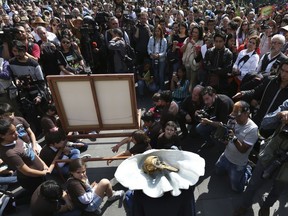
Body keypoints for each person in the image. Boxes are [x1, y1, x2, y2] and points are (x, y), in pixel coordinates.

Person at [233, 99, 288, 216]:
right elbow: (265, 122)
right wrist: (280, 115)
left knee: (278, 189)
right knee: (253, 183)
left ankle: (266, 206)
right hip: (272, 152)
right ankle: (245, 205)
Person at [233, 60, 288, 137]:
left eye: (287, 72)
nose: (284, 74)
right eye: (282, 70)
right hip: (257, 119)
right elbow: (256, 91)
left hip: (272, 128)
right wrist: (244, 93)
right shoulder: (270, 80)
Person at [215, 101, 258, 192]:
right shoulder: (232, 119)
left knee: (237, 189)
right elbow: (227, 138)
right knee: (217, 172)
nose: (235, 118)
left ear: (246, 113)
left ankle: (247, 170)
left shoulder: (253, 129)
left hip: (238, 163)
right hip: (226, 156)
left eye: (238, 115)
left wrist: (234, 138)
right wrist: (223, 138)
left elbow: (243, 150)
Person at [8, 40, 48, 137]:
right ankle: (38, 131)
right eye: (14, 51)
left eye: (19, 51)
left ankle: (48, 130)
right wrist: (17, 81)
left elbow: (42, 82)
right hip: (24, 93)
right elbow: (14, 76)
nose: (16, 53)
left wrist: (39, 96)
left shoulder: (34, 64)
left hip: (37, 91)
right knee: (31, 115)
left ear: (24, 50)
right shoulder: (12, 63)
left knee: (44, 113)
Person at [0, 117, 49, 194]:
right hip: (32, 180)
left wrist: (43, 164)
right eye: (12, 133)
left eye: (15, 130)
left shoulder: (15, 139)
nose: (16, 133)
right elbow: (27, 171)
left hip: (40, 173)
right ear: (2, 136)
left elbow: (32, 153)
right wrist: (44, 173)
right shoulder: (10, 153)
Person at [147, 24, 168, 91]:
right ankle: (156, 87)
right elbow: (148, 48)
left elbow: (165, 51)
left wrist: (159, 55)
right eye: (155, 31)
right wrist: (151, 53)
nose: (157, 33)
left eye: (158, 31)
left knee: (161, 74)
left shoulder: (164, 40)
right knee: (155, 74)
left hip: (161, 60)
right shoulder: (151, 39)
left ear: (161, 31)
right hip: (153, 58)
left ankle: (162, 88)